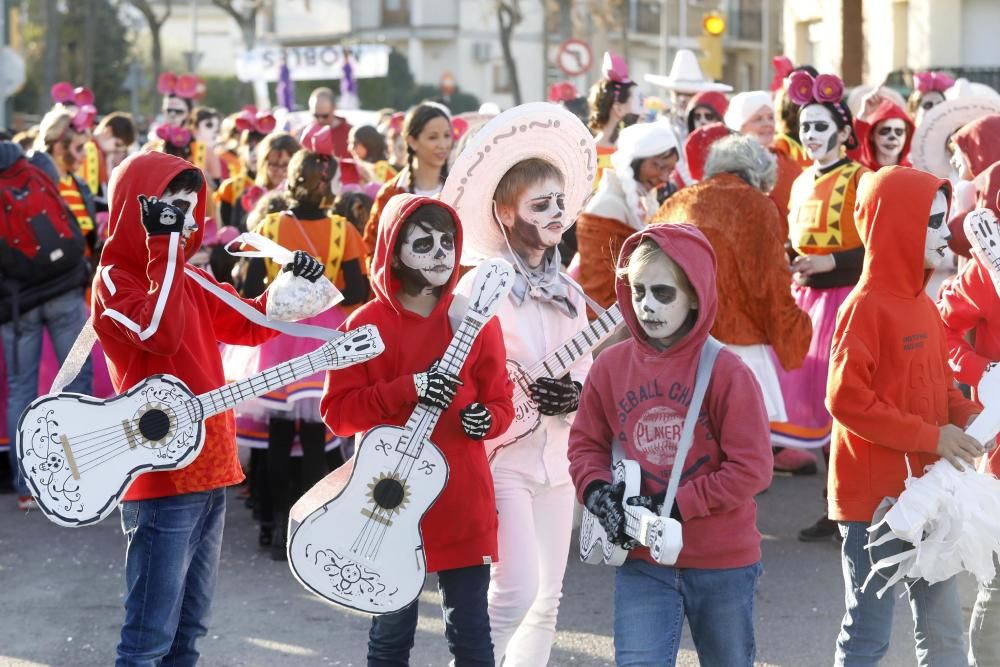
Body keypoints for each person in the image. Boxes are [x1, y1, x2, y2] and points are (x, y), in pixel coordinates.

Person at [91, 150, 325, 664]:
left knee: (188, 632)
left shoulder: (185, 276)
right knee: (147, 639)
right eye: (168, 206)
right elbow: (159, 330)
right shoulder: (113, 281)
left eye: (188, 206)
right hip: (161, 478)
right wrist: (165, 249)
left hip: (213, 467)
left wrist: (296, 281)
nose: (182, 218)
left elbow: (253, 323)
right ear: (137, 207)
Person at [320, 193, 514, 664]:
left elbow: (502, 402)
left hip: (461, 496)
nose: (441, 253)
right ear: (392, 250)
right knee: (390, 638)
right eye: (423, 243)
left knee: (470, 635)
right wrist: (406, 388)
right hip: (386, 504)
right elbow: (339, 413)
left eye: (448, 242)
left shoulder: (476, 321)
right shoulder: (363, 326)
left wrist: (485, 418)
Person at [568, 223, 772, 666]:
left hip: (722, 560)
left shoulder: (727, 371)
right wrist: (597, 493)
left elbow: (752, 468)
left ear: (695, 294)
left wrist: (673, 504)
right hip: (642, 560)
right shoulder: (610, 365)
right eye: (638, 292)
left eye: (663, 293)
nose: (646, 306)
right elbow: (585, 445)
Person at [448, 104, 596, 666]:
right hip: (502, 459)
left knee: (550, 598)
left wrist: (574, 396)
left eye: (560, 202)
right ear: (506, 214)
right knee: (515, 591)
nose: (557, 213)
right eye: (541, 204)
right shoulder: (480, 287)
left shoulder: (569, 289)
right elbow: (459, 367)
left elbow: (580, 366)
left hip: (556, 460)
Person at [827, 166, 981, 666]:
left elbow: (940, 389)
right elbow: (845, 400)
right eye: (933, 222)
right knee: (868, 633)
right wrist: (933, 436)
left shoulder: (924, 304)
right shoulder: (864, 307)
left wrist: (975, 419)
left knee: (943, 635)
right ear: (897, 228)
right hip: (875, 503)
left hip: (930, 493)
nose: (945, 232)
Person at [237, 137, 369, 559]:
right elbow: (359, 290)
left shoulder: (270, 227)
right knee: (315, 438)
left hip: (277, 334)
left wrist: (286, 286)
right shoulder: (342, 230)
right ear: (327, 184)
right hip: (322, 340)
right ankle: (311, 526)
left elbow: (248, 287)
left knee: (277, 436)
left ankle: (271, 526)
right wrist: (323, 291)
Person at [652, 134, 812, 421]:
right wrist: (796, 328)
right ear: (760, 174)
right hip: (738, 345)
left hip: (678, 339)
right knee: (740, 442)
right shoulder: (757, 206)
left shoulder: (678, 201)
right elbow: (770, 283)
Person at [769, 73, 871, 499]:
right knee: (813, 403)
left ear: (844, 132)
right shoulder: (800, 180)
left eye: (820, 126)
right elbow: (795, 239)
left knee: (841, 403)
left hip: (845, 301)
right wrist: (791, 260)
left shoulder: (861, 178)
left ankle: (851, 502)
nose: (810, 134)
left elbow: (877, 245)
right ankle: (836, 504)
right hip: (805, 301)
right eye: (806, 126)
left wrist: (831, 261)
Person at [0, 140, 93, 511]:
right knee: (76, 380)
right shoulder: (38, 166)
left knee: (20, 390)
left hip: (16, 305)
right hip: (64, 291)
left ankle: (26, 487)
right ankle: (80, 474)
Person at [576, 122, 678, 317]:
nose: (664, 177)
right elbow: (600, 289)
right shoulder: (608, 206)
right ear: (633, 161)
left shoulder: (633, 201)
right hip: (606, 327)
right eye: (658, 166)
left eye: (669, 170)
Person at [362, 102, 454, 256]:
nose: (443, 144)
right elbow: (372, 250)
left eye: (447, 136)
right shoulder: (391, 194)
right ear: (412, 141)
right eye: (433, 137)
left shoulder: (461, 189)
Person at [724, 90, 803, 227]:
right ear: (740, 126)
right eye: (758, 119)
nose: (767, 124)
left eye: (770, 117)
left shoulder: (788, 162)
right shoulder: (729, 166)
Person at [34, 109, 97, 250]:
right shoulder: (38, 185)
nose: (85, 155)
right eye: (79, 148)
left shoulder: (81, 185)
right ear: (59, 148)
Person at [587, 51, 640, 177]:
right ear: (618, 108)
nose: (640, 109)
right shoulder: (589, 154)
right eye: (634, 100)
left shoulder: (588, 151)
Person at [851, 94, 915, 172]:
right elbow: (851, 151)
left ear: (906, 136)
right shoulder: (860, 171)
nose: (892, 137)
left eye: (899, 131)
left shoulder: (915, 171)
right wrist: (863, 117)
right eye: (885, 131)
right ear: (872, 135)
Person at [302, 86, 351, 159]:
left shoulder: (349, 133)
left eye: (325, 116)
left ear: (334, 109)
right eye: (316, 115)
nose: (320, 120)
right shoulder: (306, 133)